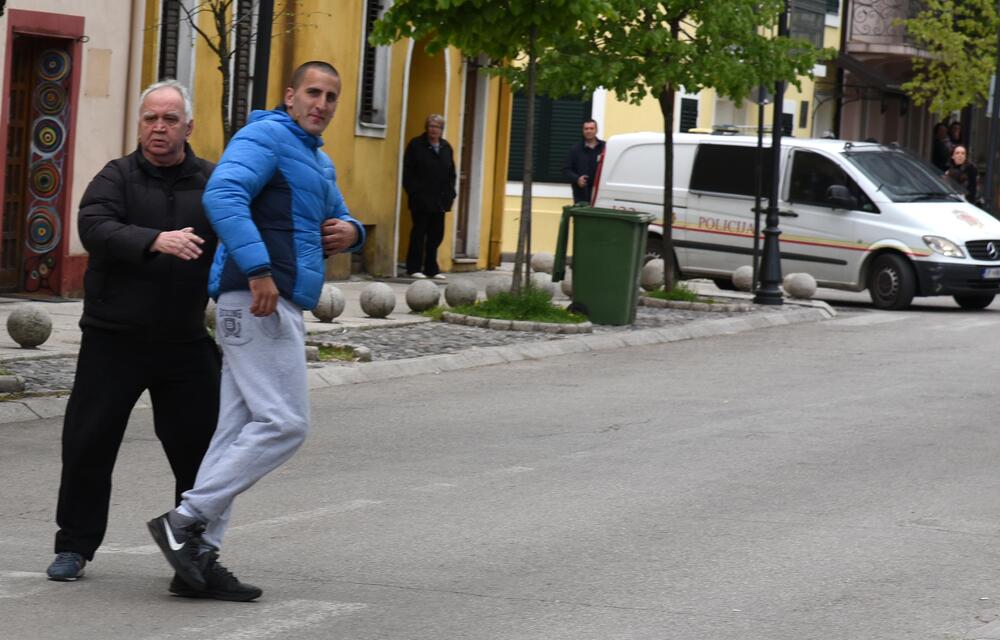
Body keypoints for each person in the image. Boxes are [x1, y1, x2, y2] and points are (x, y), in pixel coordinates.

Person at [146, 61, 365, 602]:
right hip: (258, 297)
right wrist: (260, 270)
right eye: (312, 92)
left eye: (331, 96)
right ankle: (186, 520)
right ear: (290, 96)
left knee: (235, 432)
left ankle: (195, 560)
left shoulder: (317, 159)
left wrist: (353, 231)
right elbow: (222, 197)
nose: (321, 103)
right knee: (286, 423)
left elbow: (338, 216)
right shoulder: (265, 135)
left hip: (275, 297)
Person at [46, 80, 220, 582]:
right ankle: (73, 546)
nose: (158, 128)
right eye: (150, 119)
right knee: (88, 444)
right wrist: (154, 241)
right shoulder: (116, 176)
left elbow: (247, 223)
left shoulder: (214, 181)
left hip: (183, 340)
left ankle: (192, 552)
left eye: (169, 119)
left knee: (201, 454)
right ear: (140, 124)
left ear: (189, 127)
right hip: (113, 338)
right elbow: (93, 226)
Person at [403, 114, 456, 280]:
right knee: (419, 233)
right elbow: (408, 171)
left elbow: (450, 173)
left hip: (440, 199)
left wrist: (450, 194)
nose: (434, 130)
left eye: (438, 127)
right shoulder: (416, 145)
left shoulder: (446, 147)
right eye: (432, 126)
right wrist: (414, 191)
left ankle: (432, 268)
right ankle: (414, 267)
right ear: (427, 128)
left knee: (436, 234)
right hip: (421, 198)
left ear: (442, 130)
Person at [563, 119, 605, 205]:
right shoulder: (575, 149)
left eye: (591, 128)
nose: (589, 131)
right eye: (586, 129)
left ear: (596, 130)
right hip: (581, 195)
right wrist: (577, 179)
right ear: (583, 131)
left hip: (601, 193)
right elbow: (566, 169)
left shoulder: (605, 147)